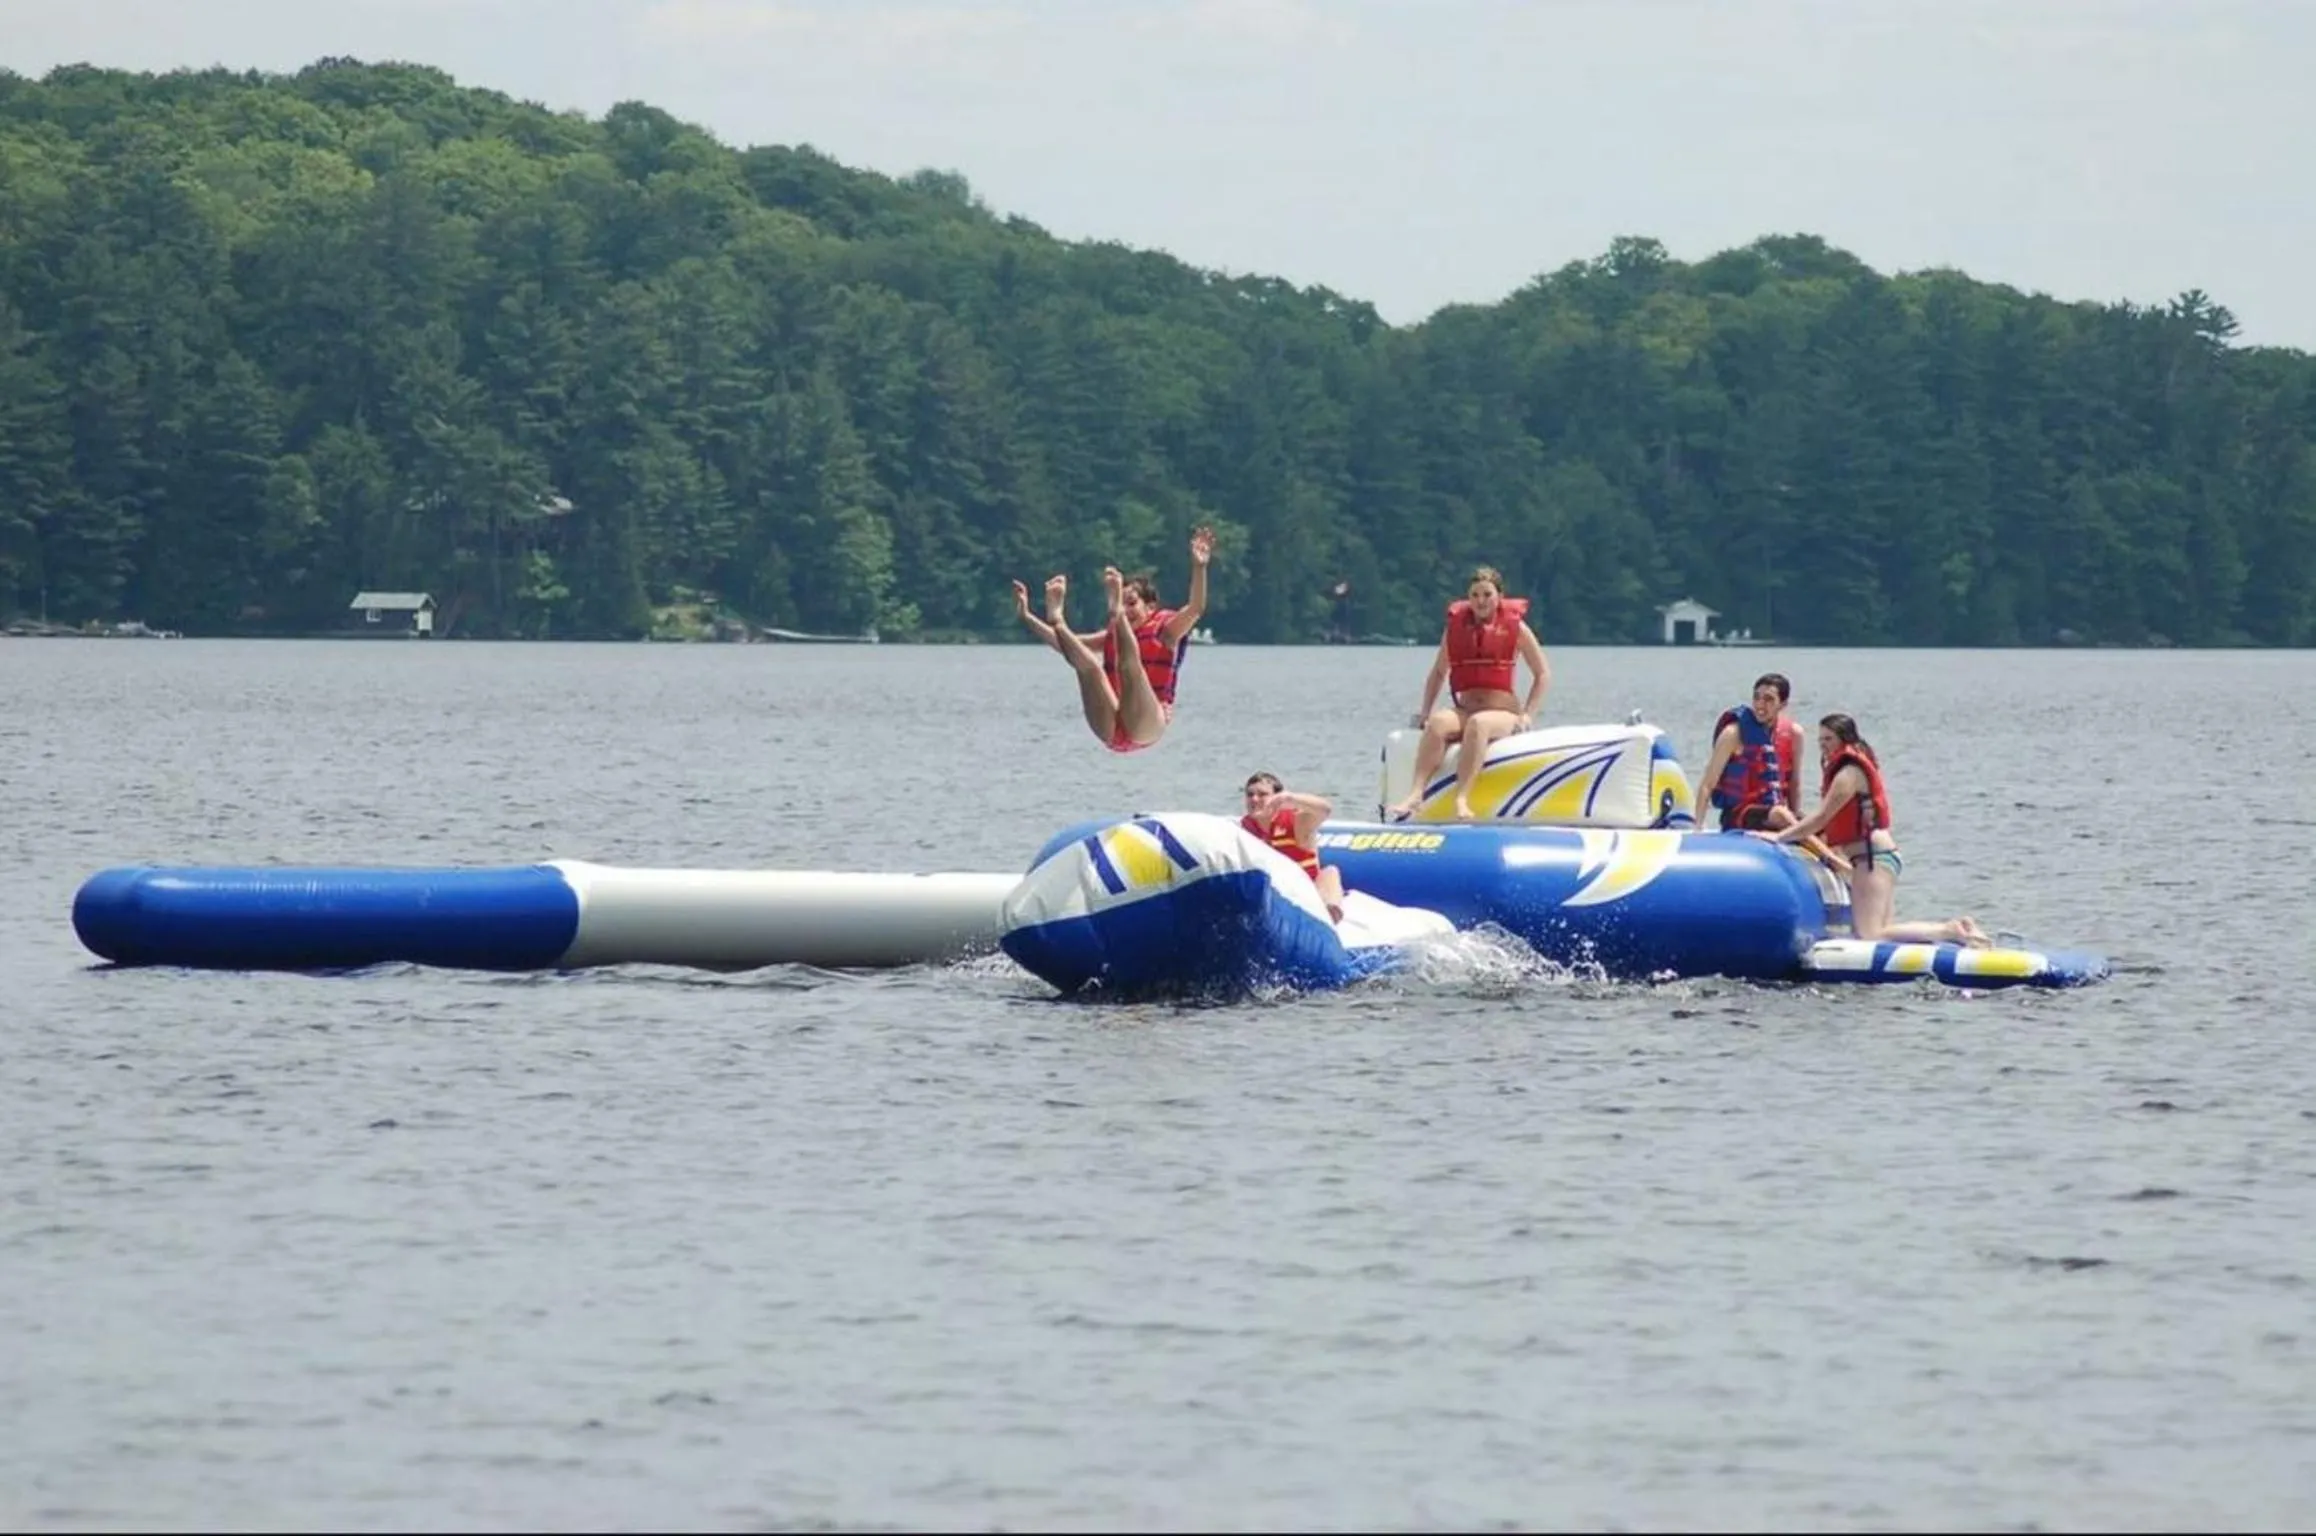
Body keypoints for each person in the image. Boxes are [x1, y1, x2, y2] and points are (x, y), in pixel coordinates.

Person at [1760, 713, 1991, 947]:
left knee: (1871, 934)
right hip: (1878, 857)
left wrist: (1779, 837)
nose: (1824, 746)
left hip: (1872, 858)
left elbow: (1821, 818)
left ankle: (1950, 929)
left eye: (1829, 739)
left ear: (1845, 738)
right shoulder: (1850, 766)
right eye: (1820, 741)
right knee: (1885, 932)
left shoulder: (1848, 774)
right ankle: (1957, 931)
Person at [1011, 526, 1214, 753]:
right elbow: (1067, 646)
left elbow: (1196, 608)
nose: (1128, 610)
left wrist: (1199, 567)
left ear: (1150, 607)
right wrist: (1028, 617)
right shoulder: (1112, 635)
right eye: (1122, 603)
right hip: (1109, 724)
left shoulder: (1167, 630)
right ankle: (1058, 617)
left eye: (1131, 603)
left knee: (1129, 665)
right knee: (1089, 667)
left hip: (1145, 726)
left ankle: (1110, 611)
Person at [1384, 565, 1552, 822]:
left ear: (1499, 597)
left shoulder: (1516, 628)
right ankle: (1416, 793)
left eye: (1487, 594)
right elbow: (1438, 673)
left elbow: (1542, 674)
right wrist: (1425, 712)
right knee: (1439, 722)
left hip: (1502, 712)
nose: (1480, 601)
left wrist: (1528, 715)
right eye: (1475, 595)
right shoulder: (1456, 627)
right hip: (1465, 707)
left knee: (1479, 724)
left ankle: (1461, 798)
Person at [1694, 673, 1805, 833]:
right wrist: (1698, 826)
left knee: (1814, 822)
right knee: (1780, 814)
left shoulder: (1794, 733)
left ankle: (1821, 850)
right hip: (1740, 814)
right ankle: (1829, 856)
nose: (1760, 705)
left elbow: (1794, 783)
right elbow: (1707, 784)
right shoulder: (1733, 734)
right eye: (1757, 697)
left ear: (1783, 704)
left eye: (1768, 699)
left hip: (1776, 814)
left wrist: (1796, 816)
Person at [1241, 771, 1346, 922]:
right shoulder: (1245, 828)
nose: (1254, 799)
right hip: (1275, 894)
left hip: (1306, 894)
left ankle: (1329, 916)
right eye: (1250, 794)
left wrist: (1291, 798)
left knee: (1330, 872)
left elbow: (1325, 809)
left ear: (1277, 798)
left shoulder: (1297, 822)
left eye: (1262, 794)